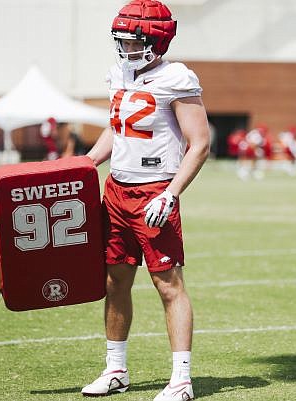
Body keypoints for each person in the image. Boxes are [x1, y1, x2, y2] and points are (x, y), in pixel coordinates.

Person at [81, 1, 210, 400]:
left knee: (168, 284)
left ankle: (182, 380)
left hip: (154, 191)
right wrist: (85, 164)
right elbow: (116, 129)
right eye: (121, 39)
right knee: (114, 280)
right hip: (116, 190)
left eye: (132, 40)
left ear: (156, 40)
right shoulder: (119, 72)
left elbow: (200, 142)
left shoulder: (177, 77)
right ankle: (116, 369)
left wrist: (171, 193)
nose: (125, 47)